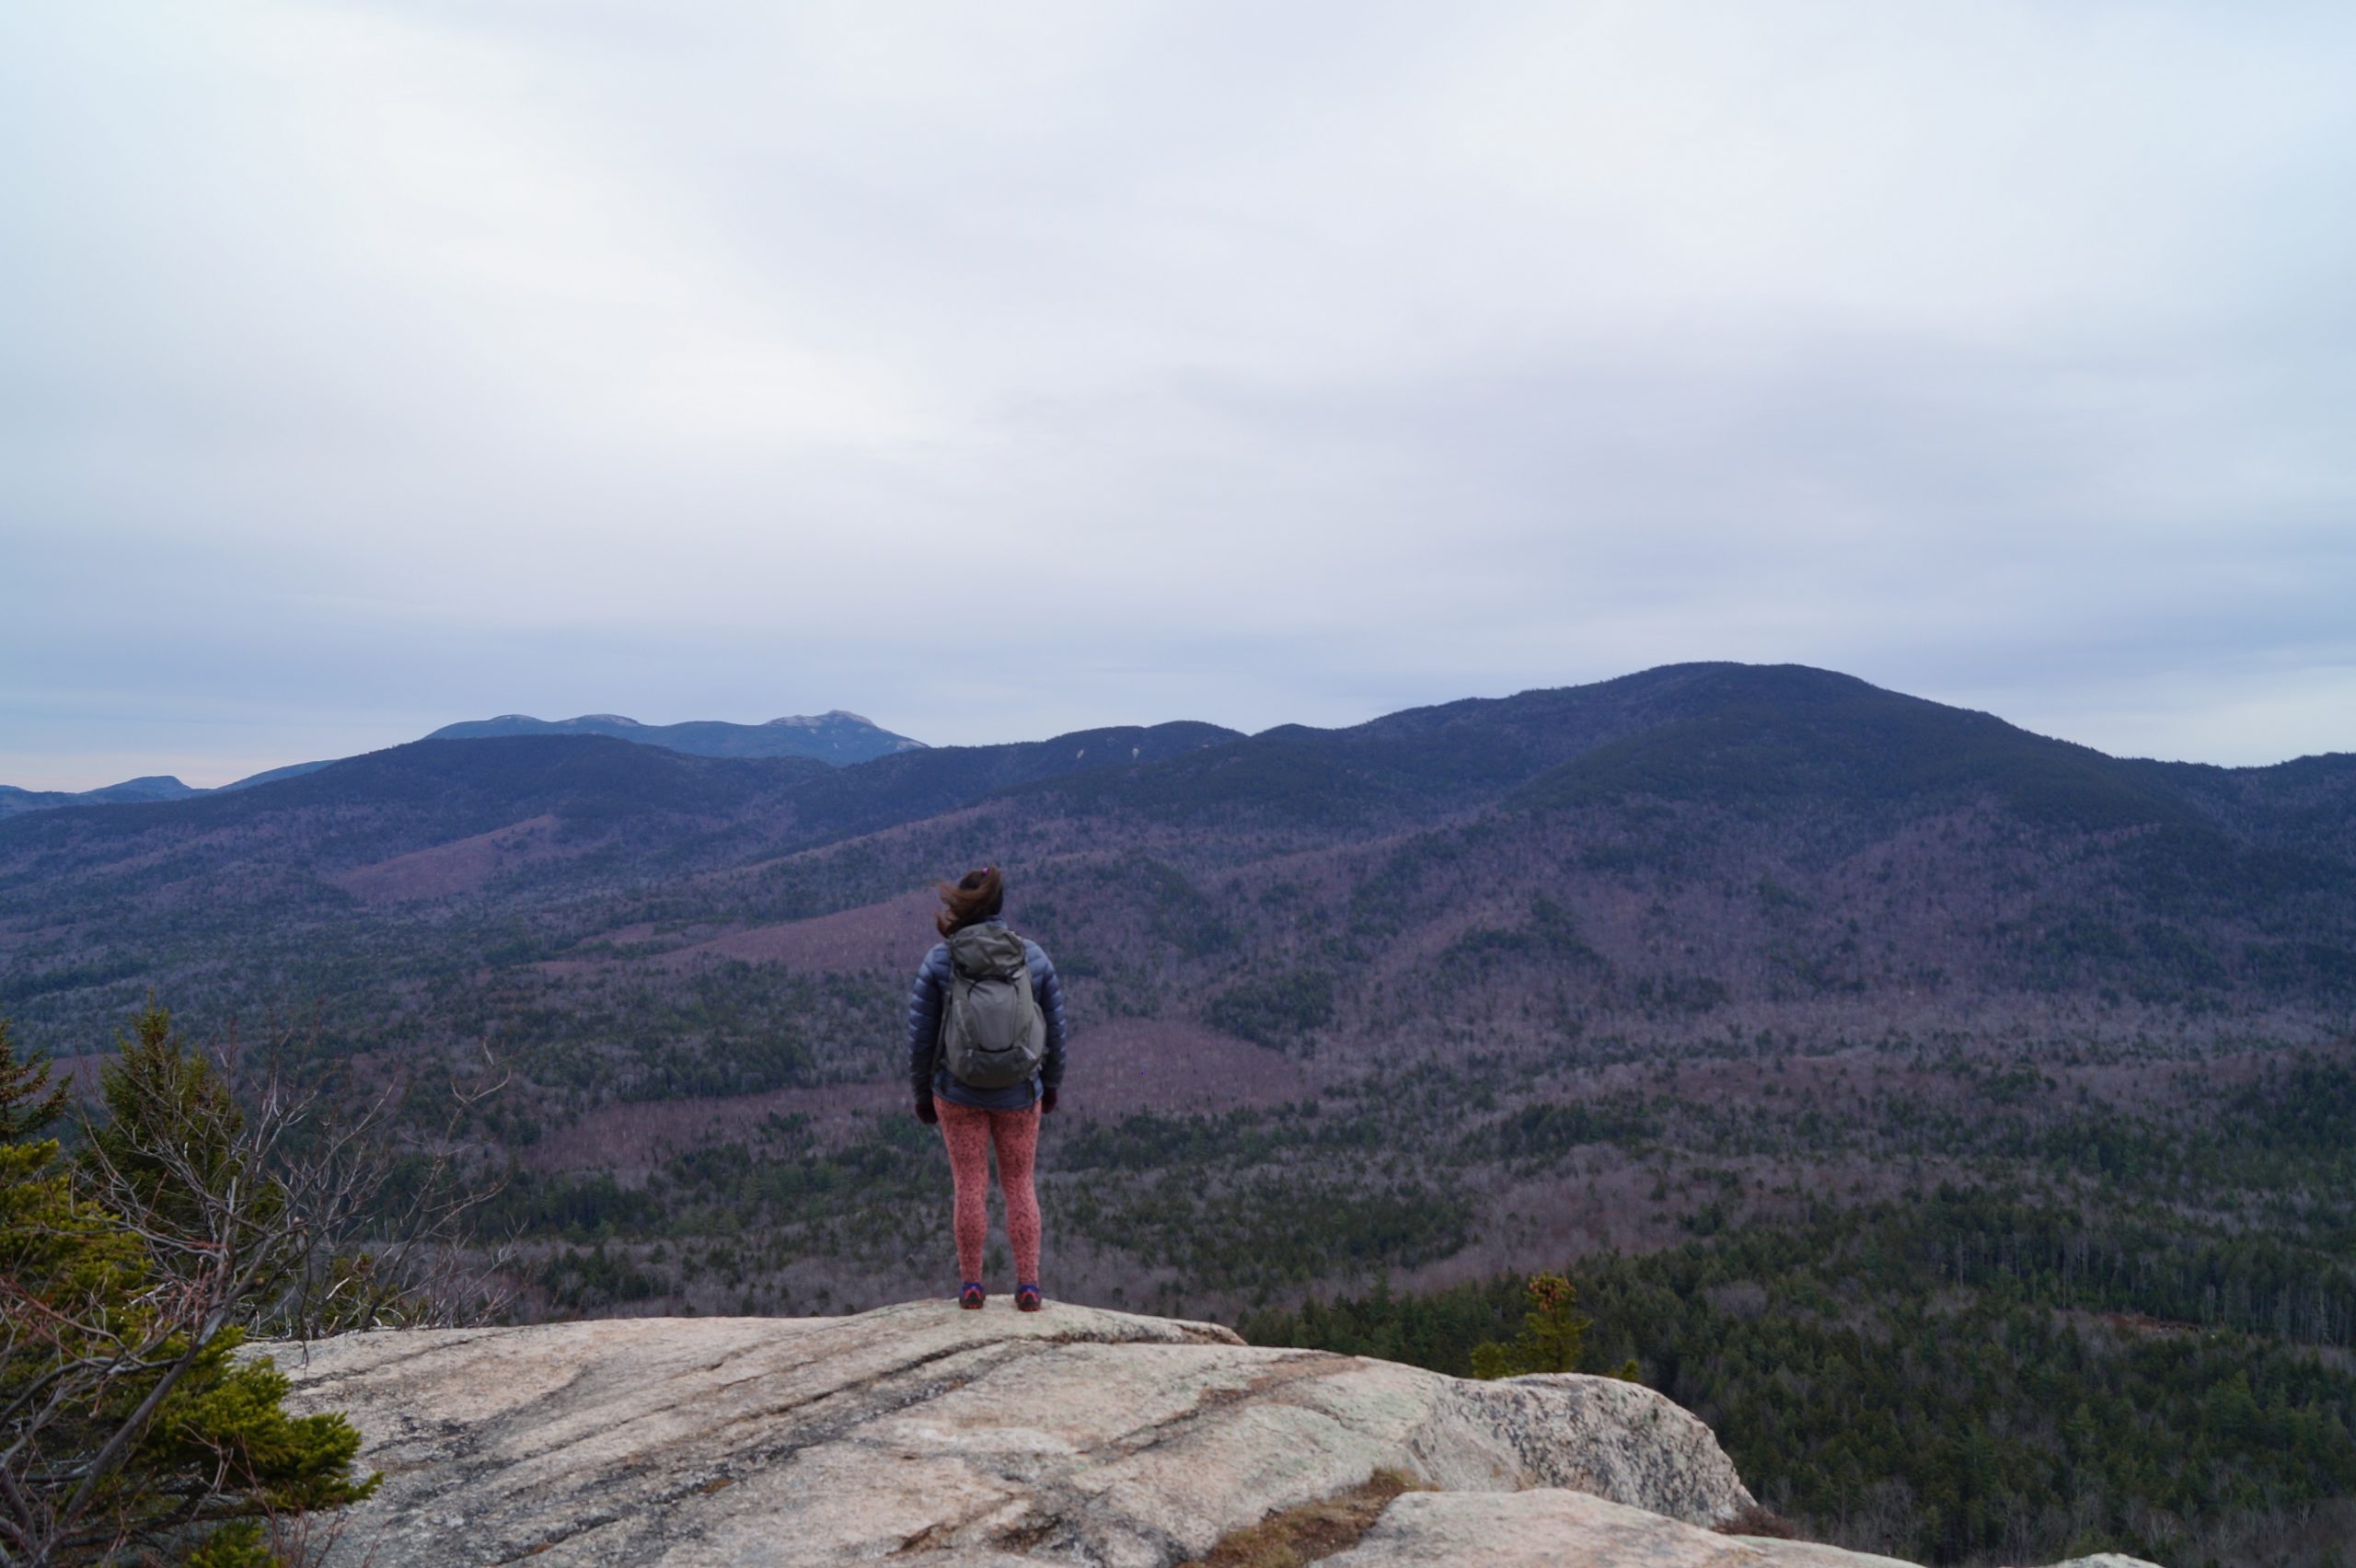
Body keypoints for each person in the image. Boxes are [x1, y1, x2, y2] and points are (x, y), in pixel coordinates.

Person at [906, 866, 1067, 1311]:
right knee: (1019, 1184)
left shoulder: (940, 960)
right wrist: (1049, 1085)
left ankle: (972, 1286)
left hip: (956, 1092)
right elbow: (1055, 1028)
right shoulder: (1032, 956)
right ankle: (1029, 1286)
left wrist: (922, 1094)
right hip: (1019, 1091)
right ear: (998, 906)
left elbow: (922, 1038)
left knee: (970, 1184)